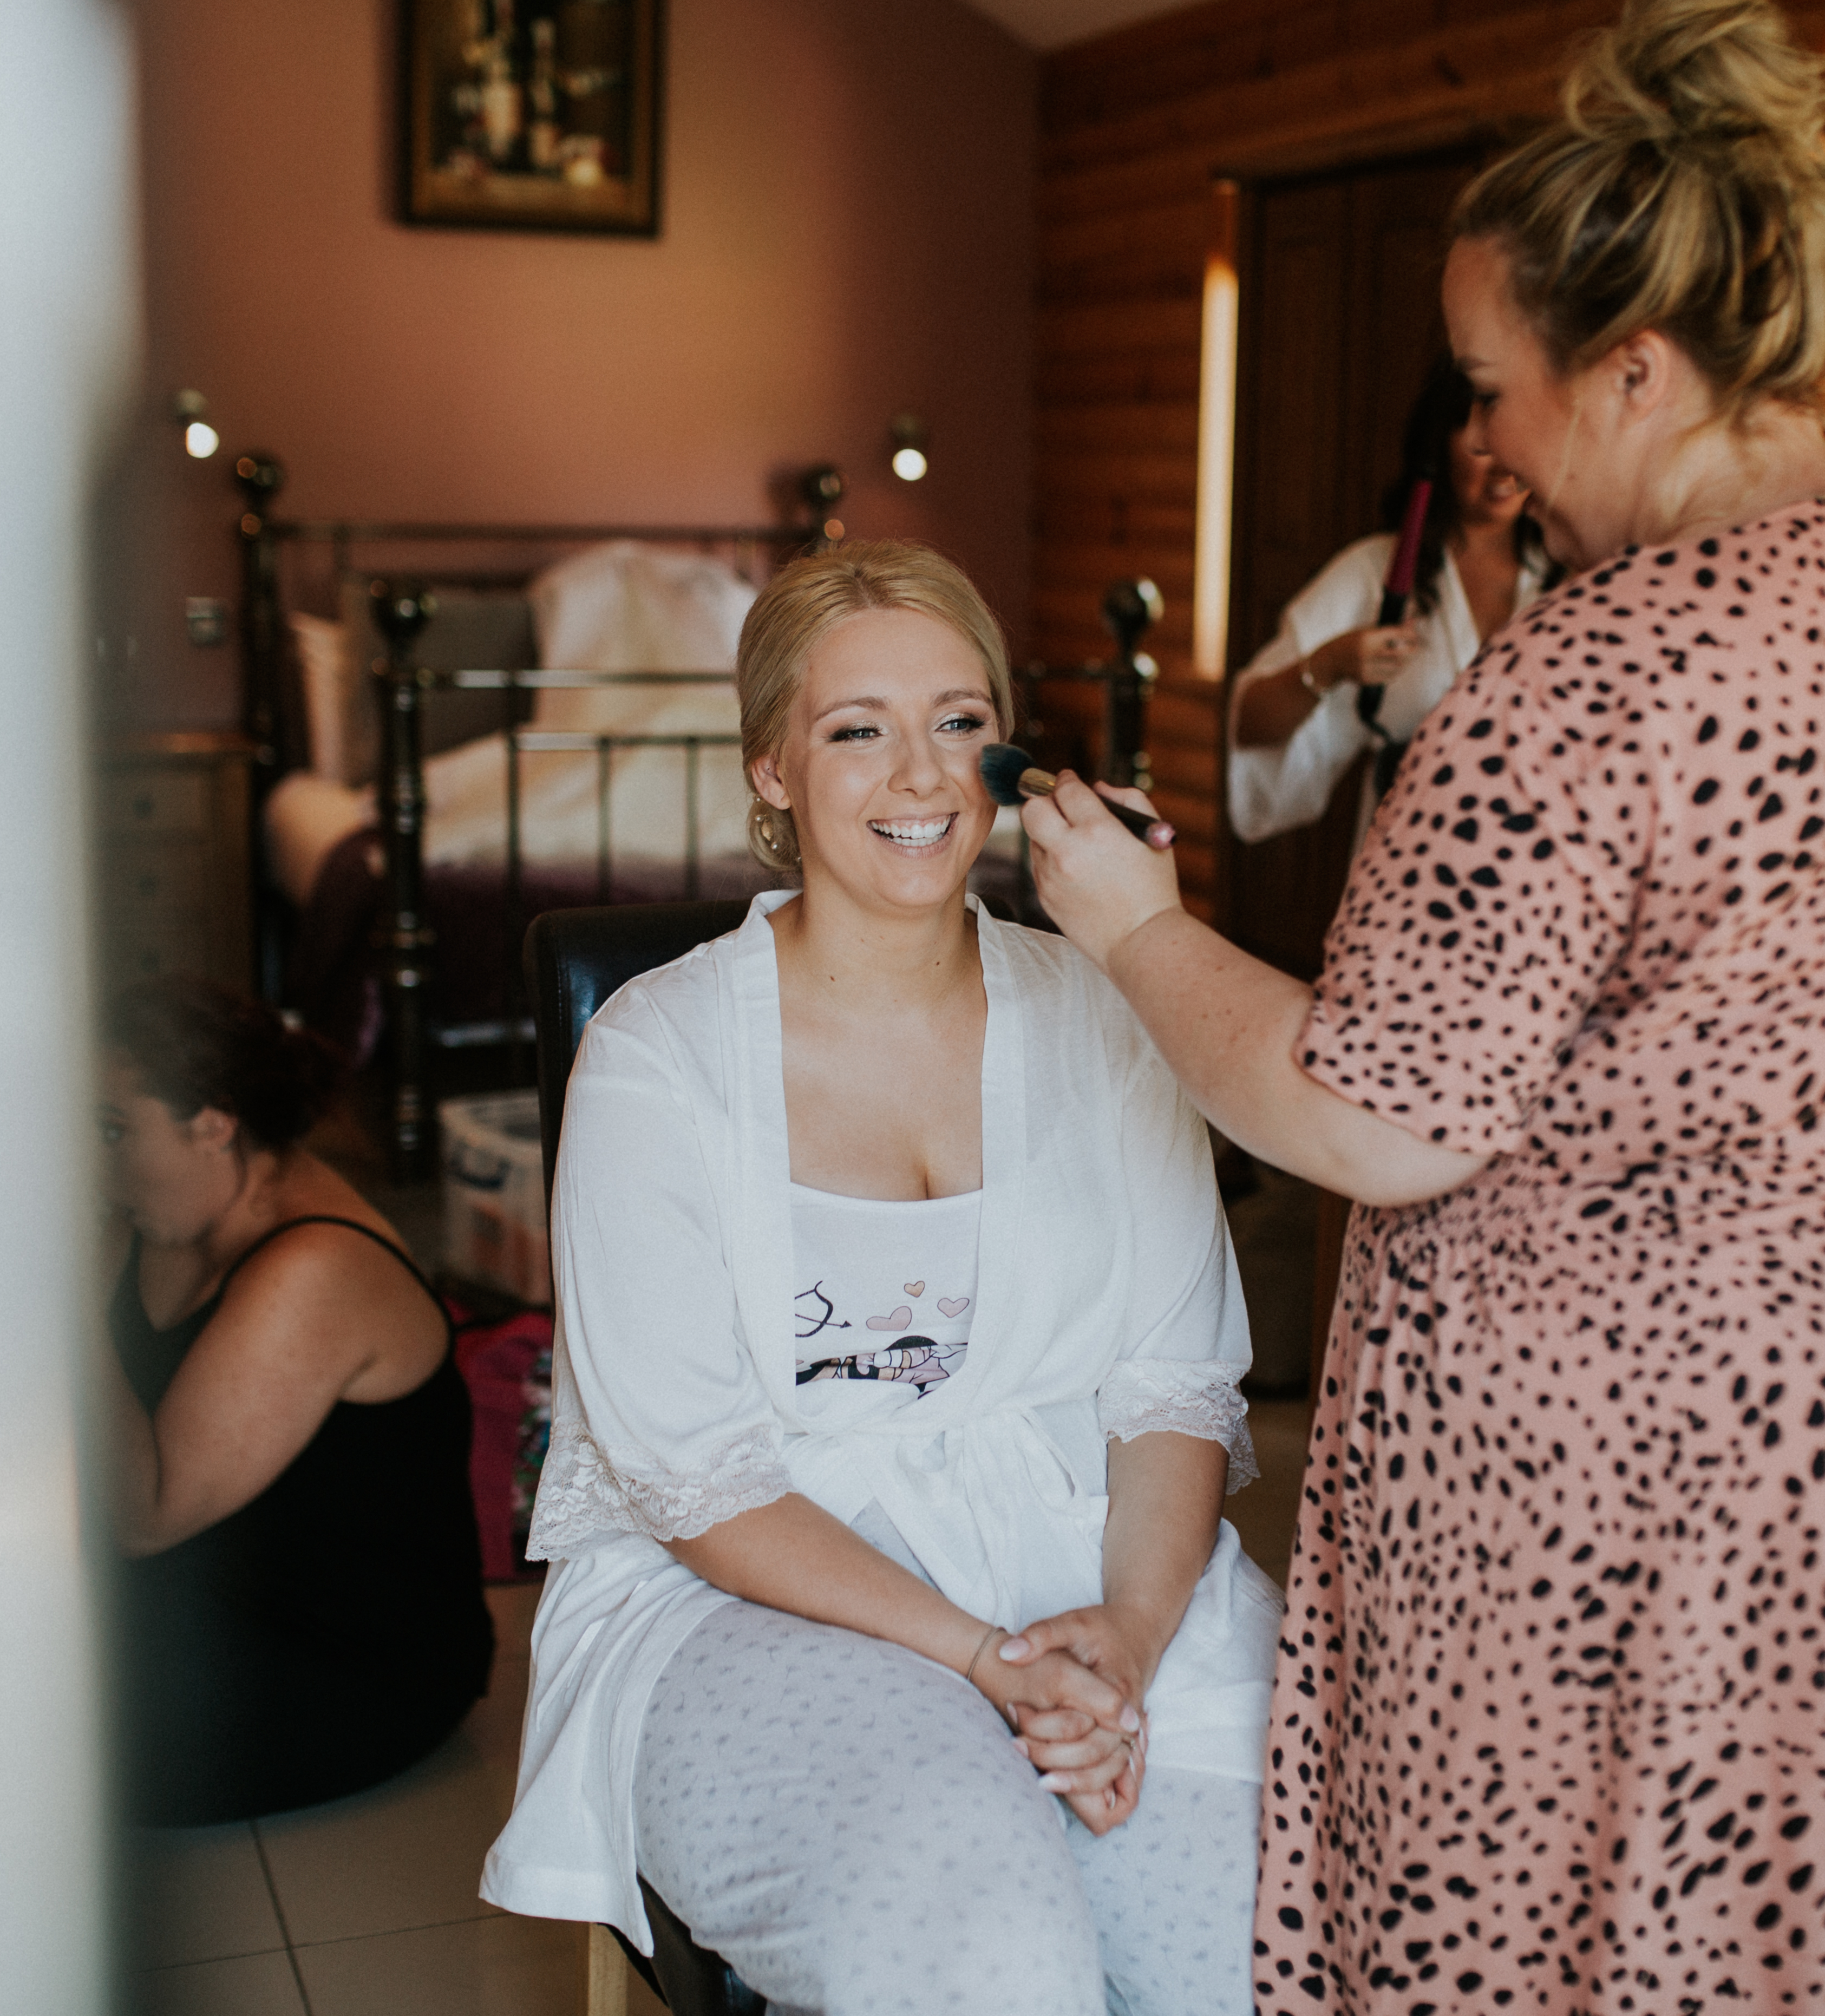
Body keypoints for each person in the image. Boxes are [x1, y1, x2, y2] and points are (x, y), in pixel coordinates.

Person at [1014, 2, 1825, 2009]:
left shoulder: (1578, 685)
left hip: (1647, 1500)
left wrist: (1126, 925)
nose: (1488, 448)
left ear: (1634, 370)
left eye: (1497, 389)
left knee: (1612, 1943)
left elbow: (1367, 1112)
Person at [480, 541, 1281, 2014]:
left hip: (1093, 1569)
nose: (921, 776)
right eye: (858, 727)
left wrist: (1127, 1635)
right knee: (991, 1959)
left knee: (1262, 1969)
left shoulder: (1109, 1014)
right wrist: (985, 1659)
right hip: (758, 1595)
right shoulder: (657, 1057)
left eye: (959, 721)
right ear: (773, 766)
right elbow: (698, 1477)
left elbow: (1170, 1379)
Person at [99, 978, 493, 1825]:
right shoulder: (157, 1211)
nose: (93, 1163)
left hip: (347, 1666)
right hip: (209, 1597)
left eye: (114, 1131)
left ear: (213, 1122)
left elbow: (139, 1516)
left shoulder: (315, 1272)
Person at [1229, 359, 1558, 843]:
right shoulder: (1374, 572)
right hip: (1407, 861)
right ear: (1440, 445)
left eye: (1515, 434)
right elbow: (1249, 723)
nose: (1503, 462)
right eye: (1480, 441)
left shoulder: (1569, 574)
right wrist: (1331, 663)